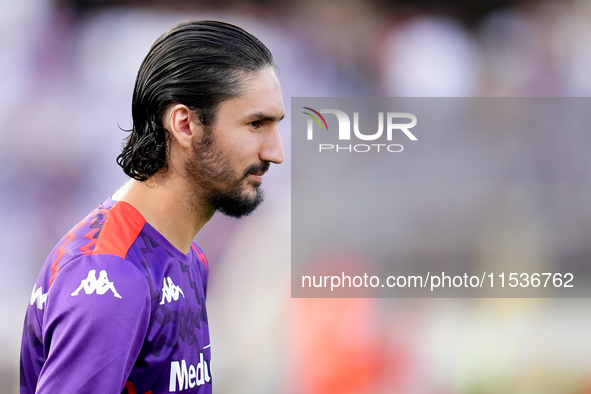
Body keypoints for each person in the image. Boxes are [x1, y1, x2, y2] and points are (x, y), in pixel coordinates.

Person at [20, 20, 284, 394]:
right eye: (256, 124)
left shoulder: (187, 257)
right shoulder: (113, 277)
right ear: (185, 124)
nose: (276, 153)